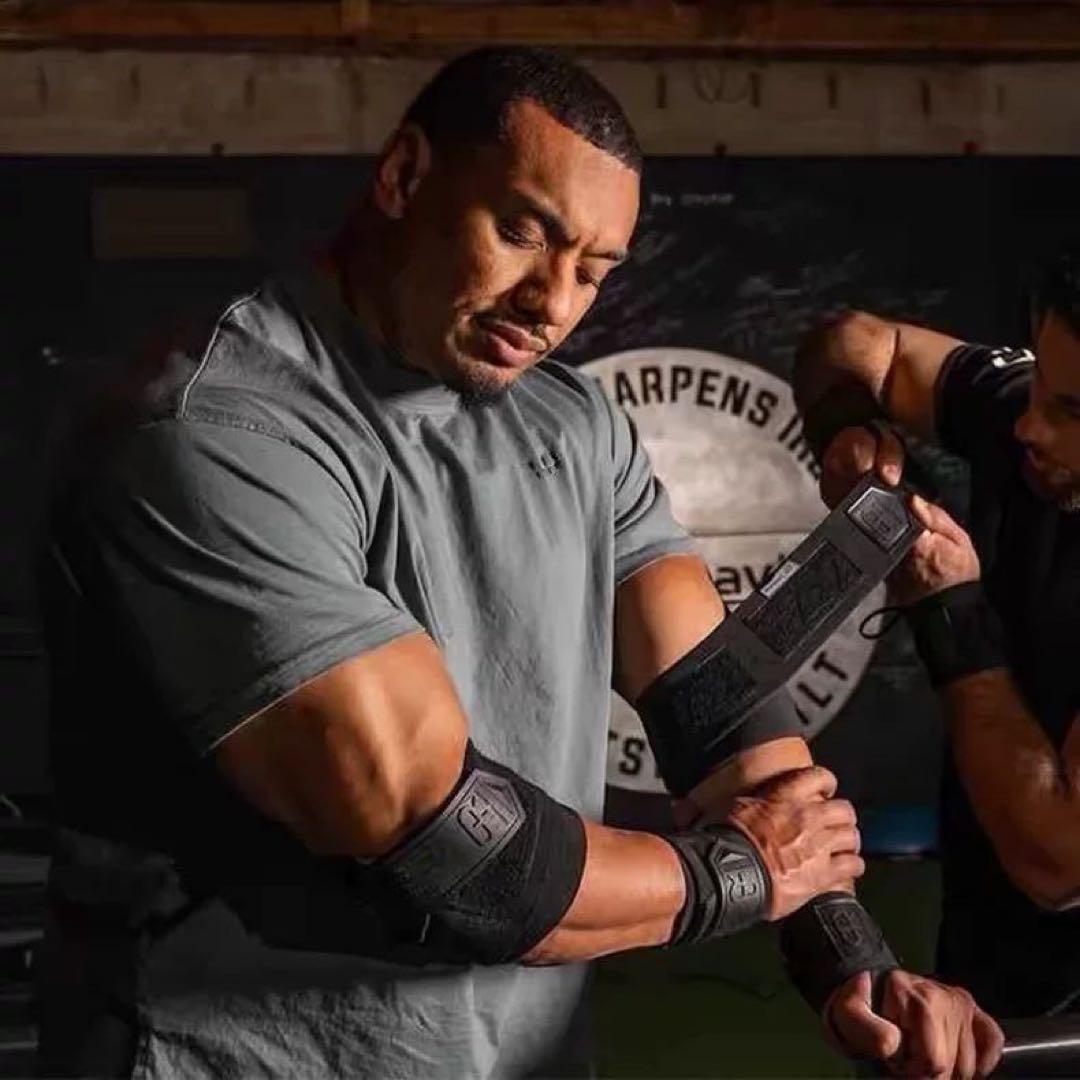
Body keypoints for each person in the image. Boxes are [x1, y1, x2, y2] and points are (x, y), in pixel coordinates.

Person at [37, 47, 1000, 1079]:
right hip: (238, 1055)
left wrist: (852, 963)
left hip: (518, 1055)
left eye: (593, 270)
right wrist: (745, 871)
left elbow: (716, 705)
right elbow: (461, 856)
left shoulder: (573, 424)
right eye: (524, 232)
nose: (552, 302)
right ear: (405, 175)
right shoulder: (218, 429)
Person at [794, 246, 1080, 1023]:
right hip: (990, 962)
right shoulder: (1024, 423)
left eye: (1072, 410)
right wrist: (846, 426)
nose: (1030, 424)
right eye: (1041, 387)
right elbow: (854, 343)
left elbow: (1058, 861)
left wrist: (948, 610)